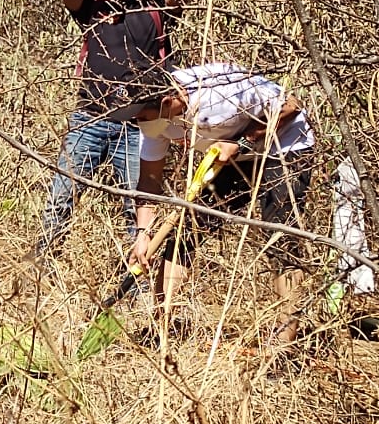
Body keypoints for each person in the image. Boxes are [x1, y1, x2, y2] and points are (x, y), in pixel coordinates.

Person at [121, 63, 315, 345]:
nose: (138, 122)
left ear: (166, 101)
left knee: (280, 238)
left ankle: (283, 344)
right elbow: (149, 181)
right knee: (184, 235)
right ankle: (159, 329)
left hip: (286, 146)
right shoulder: (153, 122)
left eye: (142, 116)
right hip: (229, 158)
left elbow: (291, 105)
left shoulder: (221, 92)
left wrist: (243, 143)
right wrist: (142, 234)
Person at [34, 0, 192, 262]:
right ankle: (40, 269)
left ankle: (133, 283)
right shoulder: (94, 8)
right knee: (62, 198)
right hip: (91, 119)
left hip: (141, 126)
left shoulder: (155, 9)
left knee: (137, 211)